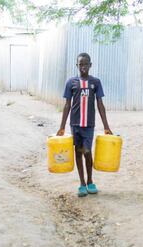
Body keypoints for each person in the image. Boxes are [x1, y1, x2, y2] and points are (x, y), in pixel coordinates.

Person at [56, 53, 112, 197]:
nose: (83, 67)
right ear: (77, 65)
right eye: (80, 64)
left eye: (85, 64)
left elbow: (100, 104)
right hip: (75, 124)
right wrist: (62, 127)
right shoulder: (71, 83)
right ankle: (81, 184)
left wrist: (106, 126)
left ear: (90, 65)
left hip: (89, 125)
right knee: (78, 152)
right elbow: (67, 105)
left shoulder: (96, 82)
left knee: (87, 151)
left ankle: (90, 181)